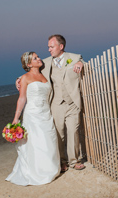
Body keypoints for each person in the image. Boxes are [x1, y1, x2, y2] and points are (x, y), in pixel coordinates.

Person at [16, 34, 87, 172]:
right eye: (48, 46)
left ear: (61, 46)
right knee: (58, 134)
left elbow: (85, 63)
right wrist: (18, 79)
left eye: (51, 46)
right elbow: (31, 72)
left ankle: (75, 161)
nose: (49, 49)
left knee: (73, 131)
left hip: (72, 102)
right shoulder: (46, 62)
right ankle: (62, 162)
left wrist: (81, 63)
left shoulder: (74, 57)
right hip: (56, 104)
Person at [6, 52, 60, 185]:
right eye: (35, 58)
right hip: (33, 114)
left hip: (46, 112)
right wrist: (16, 117)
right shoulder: (24, 78)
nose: (39, 59)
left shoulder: (44, 73)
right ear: (29, 64)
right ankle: (38, 171)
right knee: (37, 141)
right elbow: (22, 98)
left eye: (38, 56)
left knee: (49, 139)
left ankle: (51, 168)